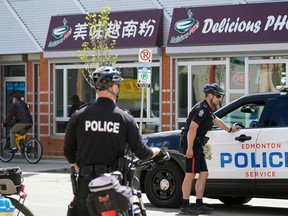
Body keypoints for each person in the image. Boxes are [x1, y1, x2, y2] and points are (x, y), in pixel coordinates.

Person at [63, 66, 164, 216]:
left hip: (86, 186)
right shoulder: (124, 118)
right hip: (112, 188)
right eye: (118, 85)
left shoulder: (79, 115)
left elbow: (68, 151)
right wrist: (159, 152)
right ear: (112, 87)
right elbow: (142, 152)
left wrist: (78, 167)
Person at [179, 83, 241, 215]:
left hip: (198, 144)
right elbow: (192, 128)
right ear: (210, 95)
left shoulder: (208, 109)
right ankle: (184, 205)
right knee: (190, 174)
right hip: (193, 144)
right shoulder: (201, 109)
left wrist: (230, 129)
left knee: (204, 173)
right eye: (218, 96)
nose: (219, 99)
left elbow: (217, 120)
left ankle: (199, 203)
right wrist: (189, 148)